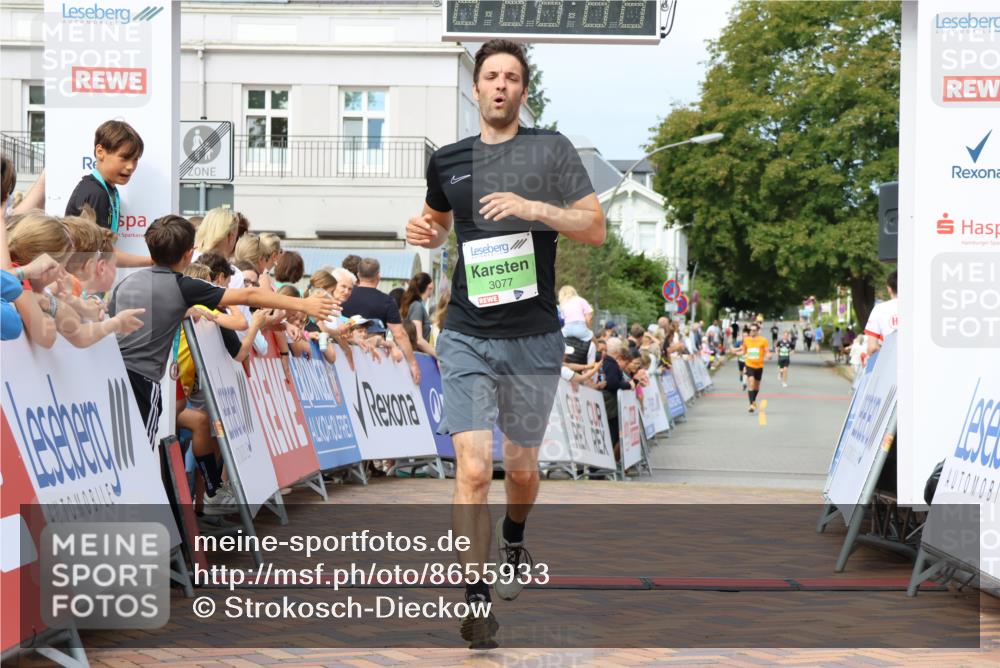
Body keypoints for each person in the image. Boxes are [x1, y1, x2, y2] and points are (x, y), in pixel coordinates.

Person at [405, 38, 604, 649]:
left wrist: (534, 207)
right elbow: (438, 224)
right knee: (471, 469)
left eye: (511, 77)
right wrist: (426, 234)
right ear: (476, 89)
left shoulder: (552, 149)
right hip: (466, 331)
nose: (499, 85)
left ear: (523, 90)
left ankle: (514, 538)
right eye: (490, 76)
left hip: (533, 338)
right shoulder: (448, 160)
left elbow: (594, 227)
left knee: (520, 468)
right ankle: (475, 598)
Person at [108, 215, 335, 446]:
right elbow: (249, 295)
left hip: (113, 374)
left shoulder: (126, 283)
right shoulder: (183, 286)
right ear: (189, 254)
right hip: (143, 380)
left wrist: (183, 311)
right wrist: (303, 304)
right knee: (141, 451)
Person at [63, 120, 152, 268]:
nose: (130, 166)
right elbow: (103, 254)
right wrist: (153, 261)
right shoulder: (96, 193)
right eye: (124, 157)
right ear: (100, 152)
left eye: (135, 159)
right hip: (80, 278)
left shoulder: (105, 190)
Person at [339, 258, 421, 384]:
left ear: (358, 275)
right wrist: (413, 364)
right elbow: (399, 334)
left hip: (343, 360)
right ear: (378, 276)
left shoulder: (344, 296)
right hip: (374, 364)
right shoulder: (387, 301)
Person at [400, 272, 437, 356]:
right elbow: (418, 340)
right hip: (418, 356)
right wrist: (439, 356)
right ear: (430, 286)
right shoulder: (417, 306)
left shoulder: (415, 305)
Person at [738, 322, 770, 412]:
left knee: (756, 387)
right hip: (749, 365)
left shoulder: (763, 340)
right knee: (751, 383)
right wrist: (735, 352)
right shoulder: (746, 340)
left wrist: (768, 355)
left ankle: (753, 401)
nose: (752, 332)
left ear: (758, 331)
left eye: (754, 330)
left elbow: (767, 351)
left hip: (759, 366)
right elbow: (744, 351)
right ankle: (751, 404)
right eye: (751, 330)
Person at [865, 271, 898, 356]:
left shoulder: (879, 309)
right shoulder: (919, 308)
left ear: (889, 288)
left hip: (889, 360)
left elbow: (872, 347)